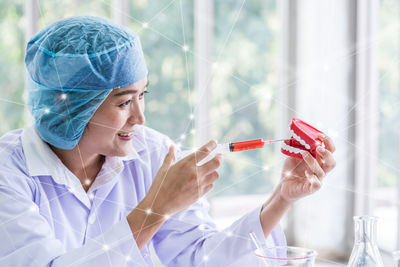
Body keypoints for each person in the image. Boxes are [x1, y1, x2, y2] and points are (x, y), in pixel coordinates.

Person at [0, 16, 336, 266]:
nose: (140, 118)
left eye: (143, 95)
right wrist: (156, 208)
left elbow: (200, 259)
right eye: (123, 102)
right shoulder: (8, 173)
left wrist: (282, 197)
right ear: (72, 106)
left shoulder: (153, 154)